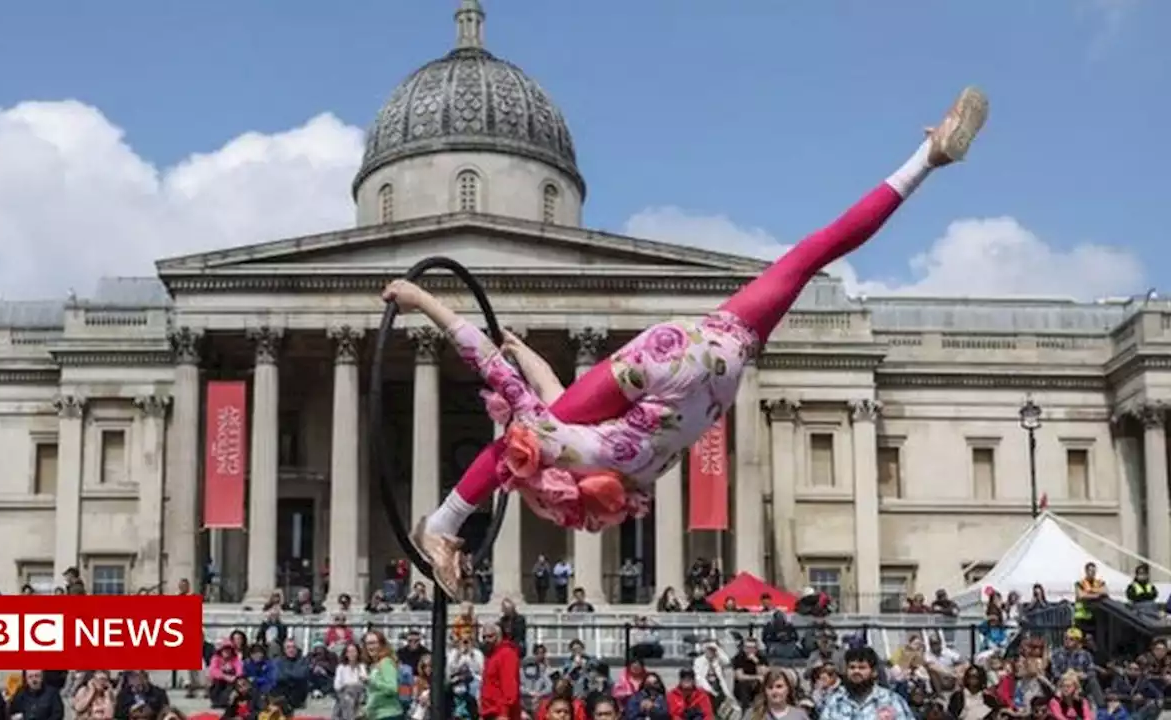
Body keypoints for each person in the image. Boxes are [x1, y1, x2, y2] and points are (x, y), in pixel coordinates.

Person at [385, 87, 989, 595]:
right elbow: (526, 393)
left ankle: (438, 526)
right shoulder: (571, 442)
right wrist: (435, 308)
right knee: (816, 249)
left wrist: (438, 308)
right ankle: (925, 157)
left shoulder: (630, 468)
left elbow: (539, 394)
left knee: (810, 255)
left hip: (723, 362)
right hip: (679, 352)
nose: (519, 460)